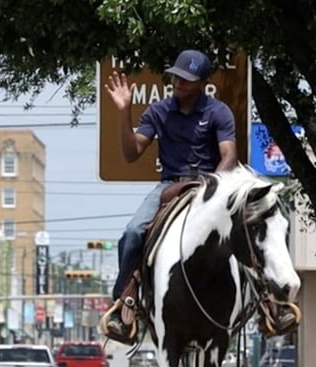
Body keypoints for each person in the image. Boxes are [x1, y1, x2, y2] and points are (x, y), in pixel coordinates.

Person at [102, 49, 238, 343]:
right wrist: (124, 112)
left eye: (187, 80)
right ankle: (124, 301)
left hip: (208, 184)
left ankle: (268, 300)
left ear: (202, 82)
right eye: (176, 77)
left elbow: (229, 155)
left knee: (249, 228)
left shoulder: (218, 112)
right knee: (132, 232)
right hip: (169, 185)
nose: (179, 83)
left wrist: (212, 187)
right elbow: (130, 153)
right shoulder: (158, 111)